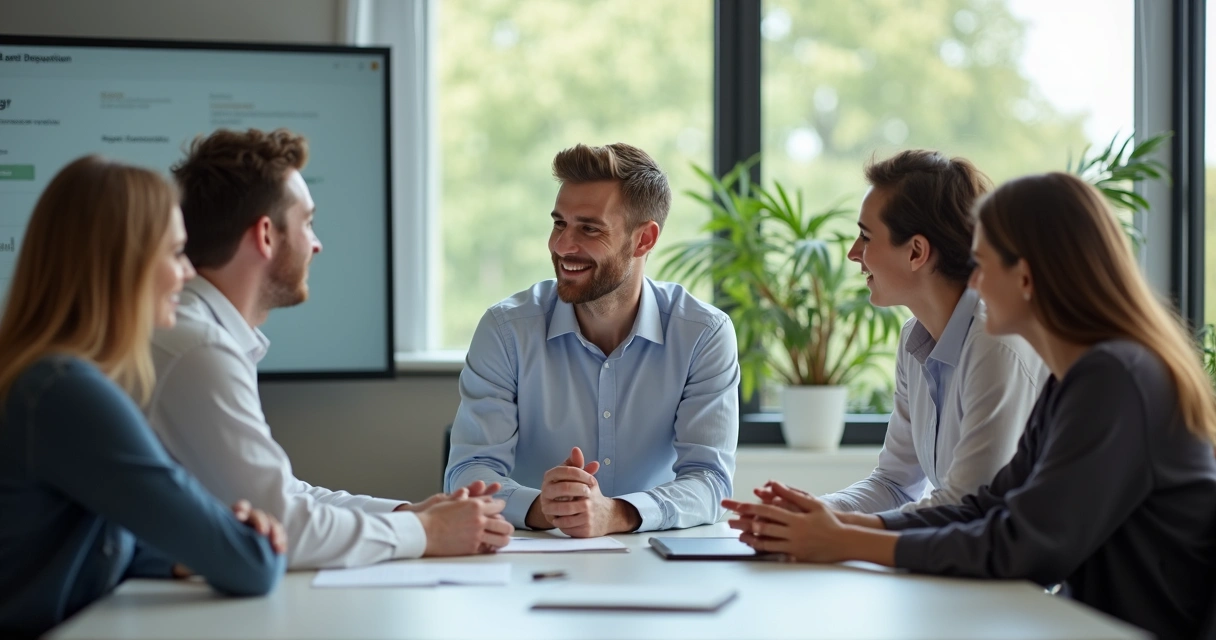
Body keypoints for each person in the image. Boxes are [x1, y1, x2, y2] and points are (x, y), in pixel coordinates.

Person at [724, 172, 1216, 640]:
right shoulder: (1076, 380)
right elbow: (986, 506)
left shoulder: (1115, 378)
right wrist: (838, 523)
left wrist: (846, 541)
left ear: (1025, 278)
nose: (973, 284)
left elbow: (1025, 546)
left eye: (981, 265)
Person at [147, 128, 512, 570]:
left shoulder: (203, 336)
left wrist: (410, 514)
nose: (316, 244)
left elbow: (286, 494)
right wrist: (428, 532)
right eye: (307, 222)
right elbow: (283, 524)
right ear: (266, 235)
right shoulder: (199, 349)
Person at [0, 156, 286, 637]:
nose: (187, 271)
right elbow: (251, 568)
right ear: (122, 264)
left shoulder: (42, 380)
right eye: (175, 253)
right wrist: (247, 542)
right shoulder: (66, 391)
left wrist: (193, 552)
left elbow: (97, 542)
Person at [445, 142, 740, 537]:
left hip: (651, 555)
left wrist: (616, 514)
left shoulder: (702, 334)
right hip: (534, 552)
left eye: (589, 228)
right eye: (559, 224)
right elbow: (468, 472)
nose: (562, 245)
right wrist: (545, 508)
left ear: (644, 239)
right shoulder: (506, 330)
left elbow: (710, 481)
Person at [817, 150, 1045, 513]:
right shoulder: (915, 339)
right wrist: (812, 511)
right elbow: (895, 485)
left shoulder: (996, 344)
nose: (853, 253)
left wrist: (836, 530)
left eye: (866, 237)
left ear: (916, 252)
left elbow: (970, 507)